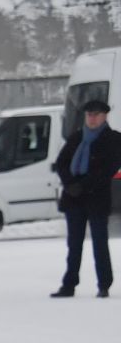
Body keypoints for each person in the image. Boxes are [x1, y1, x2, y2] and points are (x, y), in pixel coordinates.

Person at [50, 97, 121, 298]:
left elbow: (108, 169)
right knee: (74, 244)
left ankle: (104, 285)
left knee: (100, 243)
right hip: (74, 198)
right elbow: (62, 162)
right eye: (89, 114)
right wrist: (70, 184)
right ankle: (69, 284)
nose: (91, 118)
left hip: (96, 198)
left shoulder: (114, 139)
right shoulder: (77, 138)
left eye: (96, 115)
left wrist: (83, 185)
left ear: (104, 116)